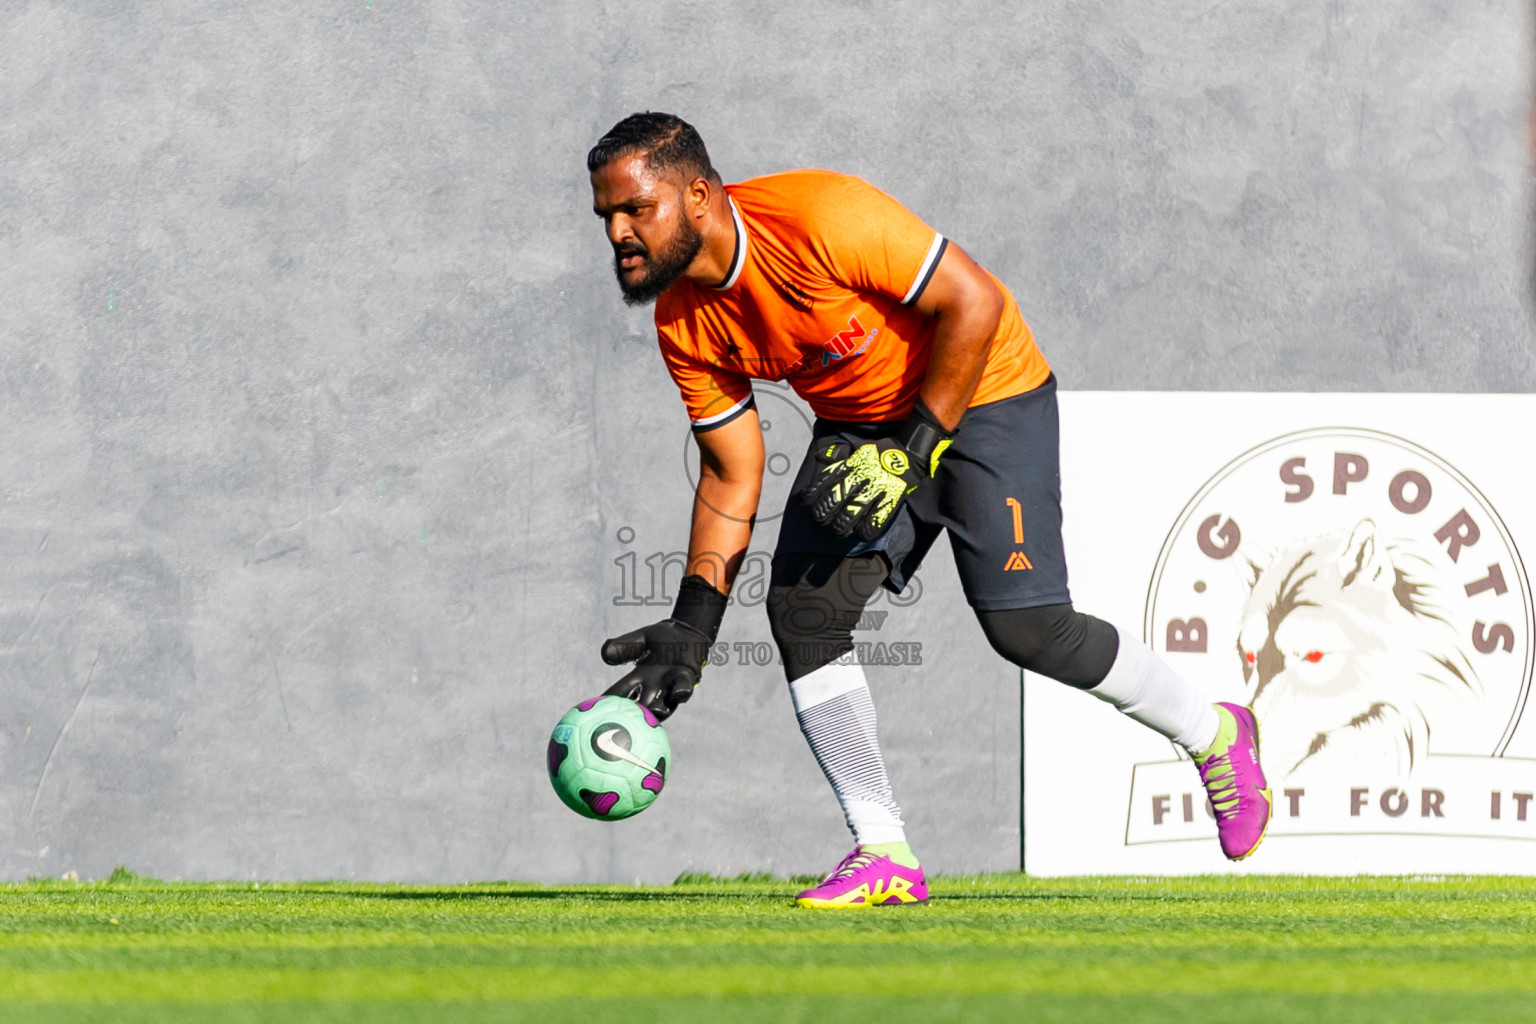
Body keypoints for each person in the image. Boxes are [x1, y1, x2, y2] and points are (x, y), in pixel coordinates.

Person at [586, 112, 1270, 908]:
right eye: (607, 216)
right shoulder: (684, 323)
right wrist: (692, 628)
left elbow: (975, 300)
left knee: (1029, 631)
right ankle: (883, 853)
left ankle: (1215, 733)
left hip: (984, 392)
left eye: (638, 208)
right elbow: (731, 473)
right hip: (866, 425)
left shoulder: (819, 217)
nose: (620, 232)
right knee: (804, 608)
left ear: (698, 195)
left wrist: (911, 451)